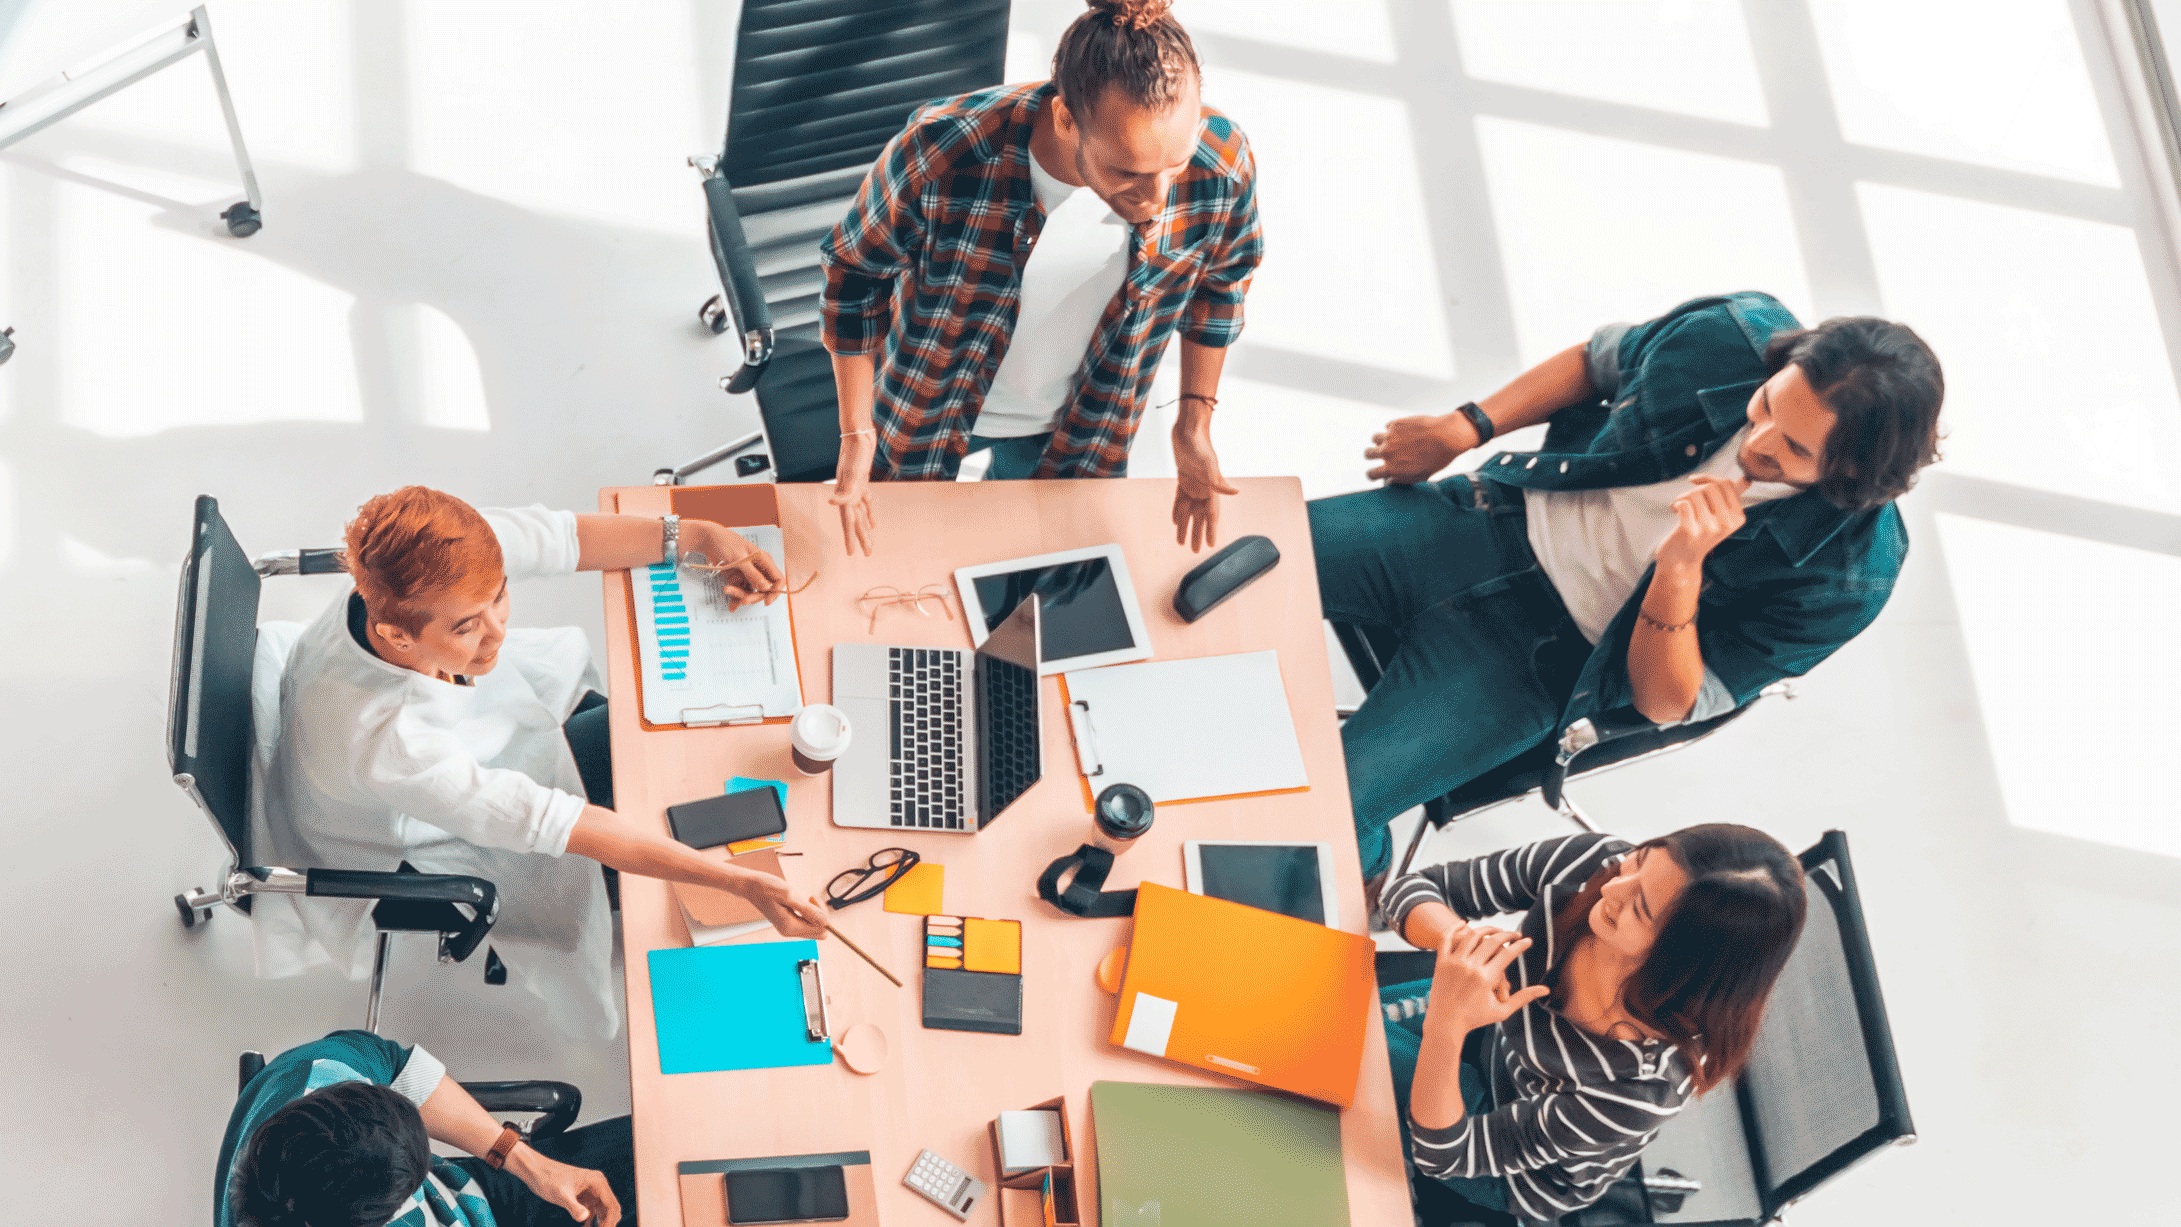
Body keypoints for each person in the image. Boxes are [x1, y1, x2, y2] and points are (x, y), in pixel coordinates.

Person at [1311, 291, 1944, 884]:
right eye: (1768, 405)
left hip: (1540, 661)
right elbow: (1594, 365)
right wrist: (1467, 426)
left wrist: (1680, 570)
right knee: (1230, 551)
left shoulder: (1850, 577)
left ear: (1850, 475)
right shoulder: (1728, 334)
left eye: (1793, 449)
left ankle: (1365, 873)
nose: (1757, 442)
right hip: (1481, 521)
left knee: (1324, 809)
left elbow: (1667, 704)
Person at [258, 488, 826, 1038]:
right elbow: (564, 824)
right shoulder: (393, 743)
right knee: (619, 855)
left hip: (464, 748)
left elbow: (565, 537)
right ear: (396, 637)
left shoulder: (418, 567)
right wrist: (739, 885)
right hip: (410, 835)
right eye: (466, 627)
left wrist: (698, 535)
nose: (498, 631)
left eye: (498, 599)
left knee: (642, 746)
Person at [821, 0, 1263, 556]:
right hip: (929, 407)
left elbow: (1221, 287)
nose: (1156, 200)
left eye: (1173, 165)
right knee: (902, 571)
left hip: (1087, 425)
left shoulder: (1220, 163)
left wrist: (1194, 425)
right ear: (1064, 119)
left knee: (1041, 592)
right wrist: (856, 433)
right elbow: (854, 273)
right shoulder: (946, 150)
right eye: (1126, 172)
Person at [1377, 827, 1807, 1220]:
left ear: (1678, 964)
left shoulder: (1641, 1089)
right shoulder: (1597, 863)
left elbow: (1447, 1153)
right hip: (1489, 1039)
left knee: (1348, 1042)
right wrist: (1468, 949)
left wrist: (1447, 1026)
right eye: (1638, 860)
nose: (1612, 886)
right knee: (1335, 1018)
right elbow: (1409, 891)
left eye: (1639, 910)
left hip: (1509, 1168)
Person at [218, 1028, 629, 1227]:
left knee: (655, 1160)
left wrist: (525, 1162)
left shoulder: (316, 1073)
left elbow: (401, 1069)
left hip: (470, 1196)